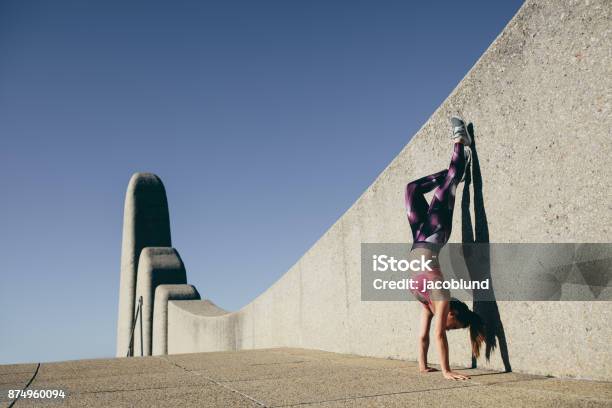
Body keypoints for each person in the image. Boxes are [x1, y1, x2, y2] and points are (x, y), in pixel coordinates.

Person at [405, 117, 488, 381]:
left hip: (418, 237)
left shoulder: (428, 304)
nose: (449, 329)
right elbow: (438, 335)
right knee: (450, 182)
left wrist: (422, 365)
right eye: (456, 327)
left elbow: (423, 336)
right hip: (435, 235)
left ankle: (456, 172)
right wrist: (447, 371)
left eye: (453, 329)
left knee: (411, 189)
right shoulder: (440, 297)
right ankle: (459, 143)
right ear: (453, 313)